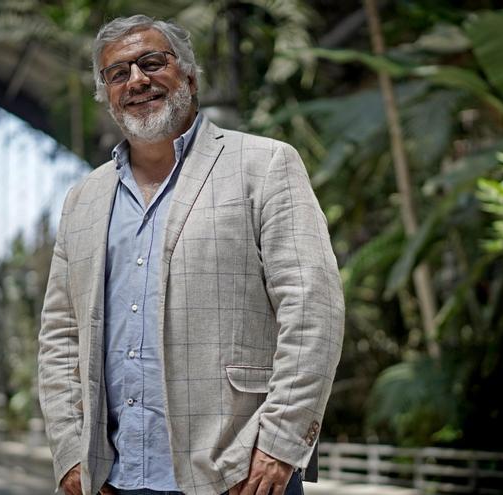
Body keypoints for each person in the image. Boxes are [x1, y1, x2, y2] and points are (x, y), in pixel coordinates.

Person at [38, 14, 343, 495]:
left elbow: (312, 311)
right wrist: (71, 454)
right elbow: (60, 336)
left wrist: (280, 447)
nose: (136, 80)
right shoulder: (84, 199)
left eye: (151, 63)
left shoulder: (263, 165)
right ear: (107, 95)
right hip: (113, 480)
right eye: (118, 73)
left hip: (239, 472)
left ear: (190, 77)